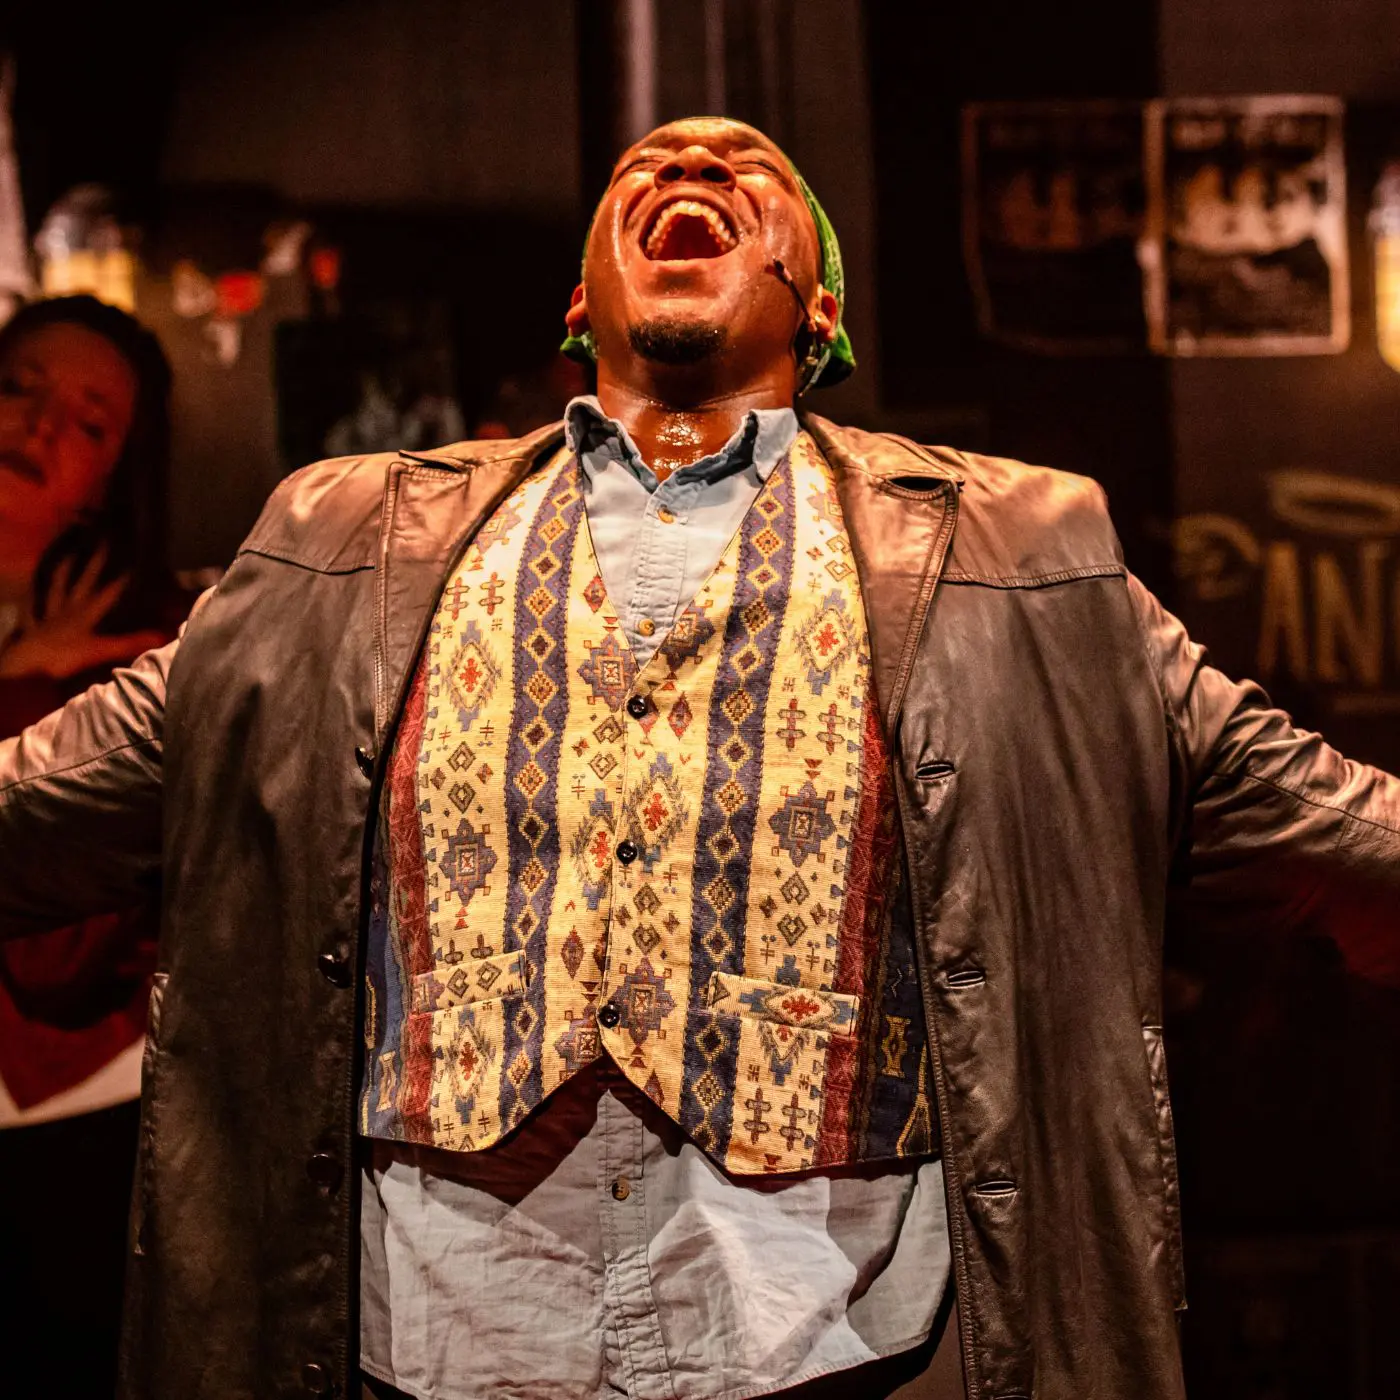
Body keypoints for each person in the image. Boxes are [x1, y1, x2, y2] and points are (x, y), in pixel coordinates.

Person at [1, 117, 1398, 1400]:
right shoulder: (347, 544)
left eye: (748, 173)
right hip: (443, 1326)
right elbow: (64, 791)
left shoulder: (1009, 554)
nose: (686, 168)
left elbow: (1312, 813)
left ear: (820, 304)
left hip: (830, 1334)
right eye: (643, 171)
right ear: (581, 300)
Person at [0, 294, 176, 1397]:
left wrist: (31, 680)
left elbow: (55, 954)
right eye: (18, 386)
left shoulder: (133, 653)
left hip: (73, 1117)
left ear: (114, 474)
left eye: (89, 419)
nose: (36, 424)